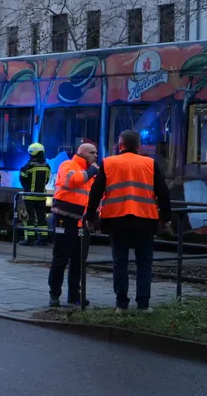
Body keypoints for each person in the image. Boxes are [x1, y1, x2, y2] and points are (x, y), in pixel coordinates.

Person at [86, 130, 171, 313]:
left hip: (116, 219)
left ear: (120, 144)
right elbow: (163, 192)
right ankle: (143, 304)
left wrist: (90, 216)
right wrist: (166, 217)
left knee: (120, 262)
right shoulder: (149, 163)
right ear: (138, 145)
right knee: (145, 262)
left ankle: (121, 304)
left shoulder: (108, 163)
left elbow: (95, 192)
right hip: (145, 219)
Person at [48, 142, 99, 308]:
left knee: (79, 260)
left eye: (96, 153)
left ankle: (74, 295)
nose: (96, 156)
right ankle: (54, 294)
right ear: (82, 153)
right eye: (92, 153)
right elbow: (73, 181)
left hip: (82, 222)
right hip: (66, 219)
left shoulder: (91, 173)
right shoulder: (68, 165)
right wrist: (91, 171)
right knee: (61, 258)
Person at [19, 142, 51, 246]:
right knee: (41, 218)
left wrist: (26, 188)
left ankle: (29, 239)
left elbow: (22, 178)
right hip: (41, 197)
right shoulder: (47, 166)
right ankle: (43, 239)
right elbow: (46, 181)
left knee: (29, 218)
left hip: (29, 196)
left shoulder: (28, 166)